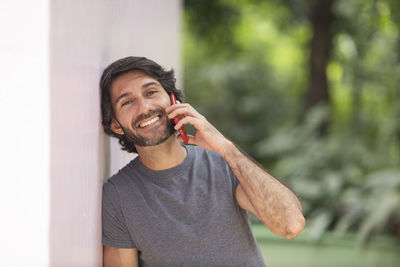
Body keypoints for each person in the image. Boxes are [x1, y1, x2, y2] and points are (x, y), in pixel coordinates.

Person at [100, 56, 305, 267]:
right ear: (116, 125)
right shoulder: (117, 197)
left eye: (151, 92)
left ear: (173, 100)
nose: (144, 108)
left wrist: (225, 147)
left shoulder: (224, 163)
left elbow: (291, 224)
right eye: (127, 102)